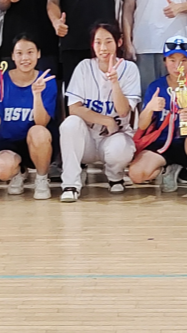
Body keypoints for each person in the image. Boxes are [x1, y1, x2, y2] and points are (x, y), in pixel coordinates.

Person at [59, 22, 140, 201]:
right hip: (87, 137)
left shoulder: (129, 69)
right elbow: (74, 108)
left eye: (108, 41)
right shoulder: (84, 67)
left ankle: (115, 177)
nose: (103, 48)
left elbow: (123, 111)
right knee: (70, 124)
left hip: (114, 137)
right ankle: (71, 184)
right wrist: (106, 120)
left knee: (121, 149)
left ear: (119, 42)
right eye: (98, 42)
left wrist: (115, 83)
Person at [129, 37, 187, 201]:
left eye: (184, 60)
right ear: (164, 61)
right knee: (136, 174)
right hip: (163, 143)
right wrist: (149, 108)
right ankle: (169, 168)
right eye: (172, 60)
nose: (178, 66)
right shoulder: (156, 86)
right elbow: (142, 125)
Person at [0, 35, 57, 199]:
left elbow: (41, 122)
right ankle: (17, 172)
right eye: (19, 53)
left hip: (37, 142)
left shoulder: (46, 80)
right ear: (12, 56)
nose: (25, 58)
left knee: (38, 131)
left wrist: (37, 95)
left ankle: (41, 178)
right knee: (1, 169)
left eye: (30, 52)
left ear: (38, 54)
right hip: (8, 142)